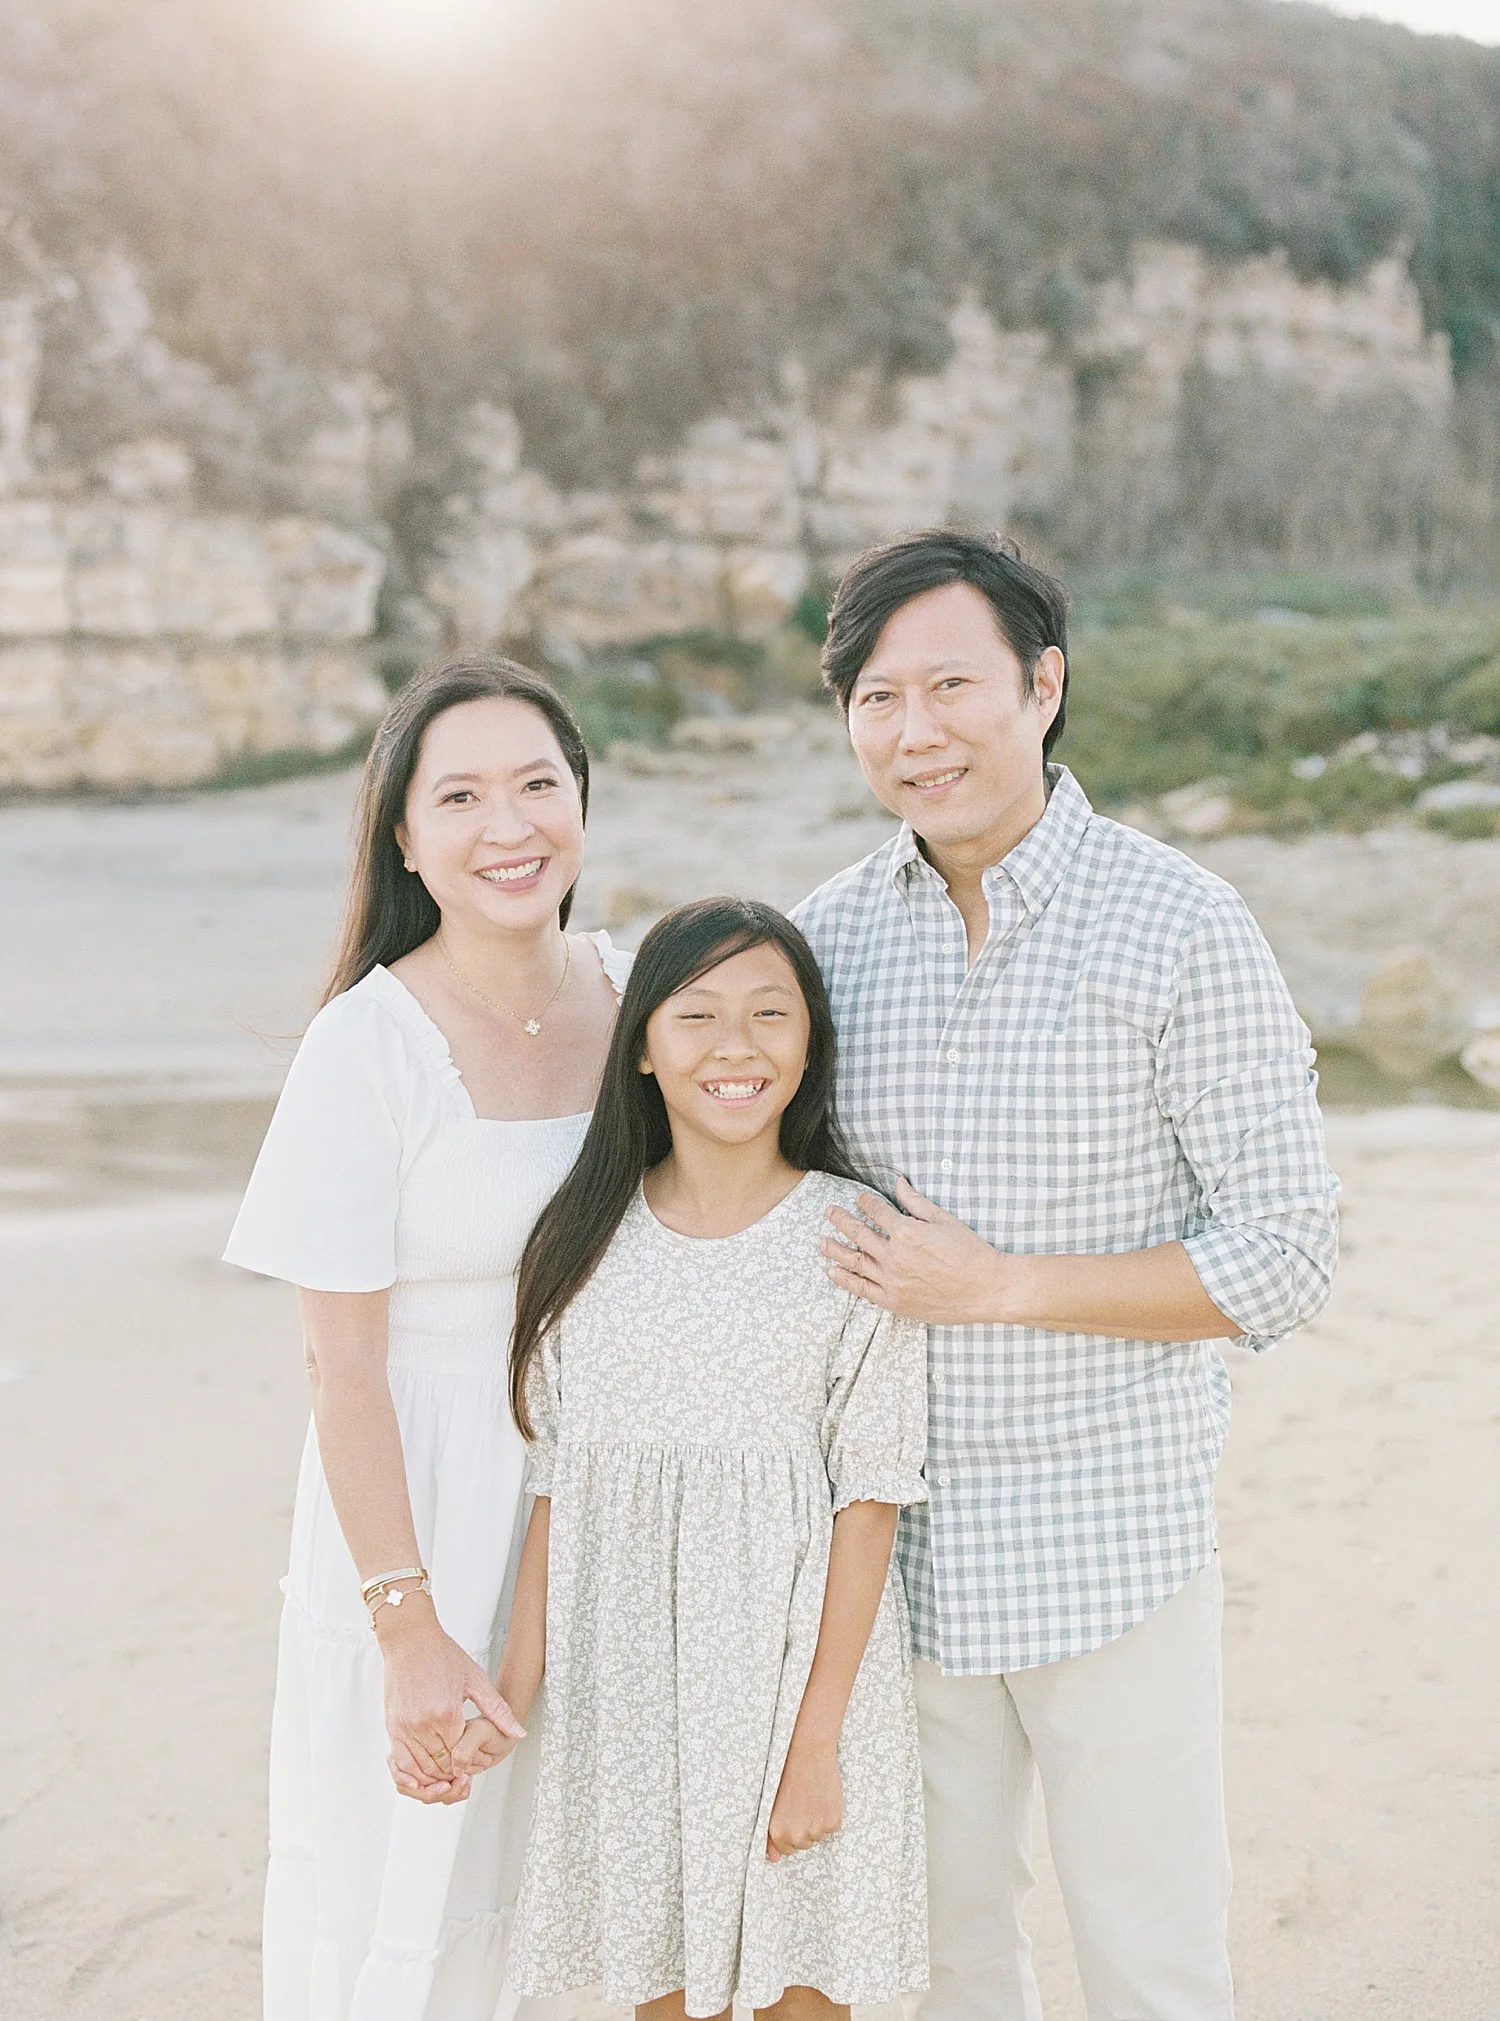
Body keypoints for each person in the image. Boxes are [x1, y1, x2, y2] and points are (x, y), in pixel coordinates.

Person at [790, 530, 1340, 2021]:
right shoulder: (826, 943)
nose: (917, 731)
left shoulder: (1181, 924)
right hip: (887, 1554)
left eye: (952, 684)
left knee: (1153, 1963)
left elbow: (1286, 1256)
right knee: (944, 1965)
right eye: (878, 697)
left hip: (1111, 1536)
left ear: (1042, 687)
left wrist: (1001, 1284)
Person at [222, 656, 632, 2021]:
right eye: (459, 796)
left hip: (610, 1505)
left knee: (586, 1907)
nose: (507, 826)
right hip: (421, 1507)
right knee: (401, 1898)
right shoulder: (365, 1045)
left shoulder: (647, 997)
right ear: (403, 834)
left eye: (537, 785)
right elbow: (342, 1369)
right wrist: (405, 1629)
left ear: (584, 800)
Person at [454, 897, 929, 2021]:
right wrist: (515, 1687)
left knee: (804, 1993)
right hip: (631, 1703)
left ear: (810, 1041)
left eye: (771, 1011)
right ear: (646, 1051)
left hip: (790, 1699)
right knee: (663, 1998)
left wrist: (816, 1742)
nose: (735, 1044)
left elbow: (871, 1500)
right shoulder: (581, 1238)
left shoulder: (855, 1236)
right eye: (698, 1013)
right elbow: (558, 1486)